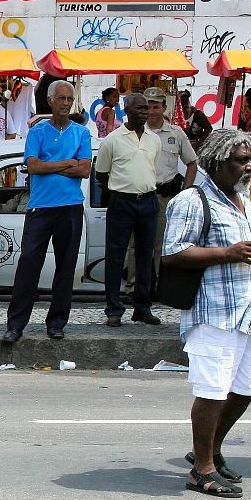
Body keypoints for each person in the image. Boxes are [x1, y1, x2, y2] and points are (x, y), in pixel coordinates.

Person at [161, 128, 251, 498]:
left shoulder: (244, 199)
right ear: (216, 162)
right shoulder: (192, 201)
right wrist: (225, 253)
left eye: (250, 159)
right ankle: (202, 470)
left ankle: (208, 450)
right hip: (215, 313)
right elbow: (172, 252)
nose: (249, 167)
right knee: (213, 391)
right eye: (241, 160)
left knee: (247, 388)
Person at [2, 81, 92, 344]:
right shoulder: (38, 131)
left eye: (69, 99)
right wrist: (66, 163)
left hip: (70, 206)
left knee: (65, 267)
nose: (65, 103)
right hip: (41, 207)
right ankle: (16, 324)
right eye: (61, 98)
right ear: (50, 101)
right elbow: (33, 166)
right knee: (29, 263)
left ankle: (57, 322)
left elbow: (84, 170)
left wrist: (49, 164)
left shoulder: (81, 133)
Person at [94, 93, 162, 327]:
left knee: (145, 256)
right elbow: (101, 174)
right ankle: (114, 309)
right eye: (140, 108)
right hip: (122, 201)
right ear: (127, 110)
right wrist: (122, 189)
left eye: (148, 108)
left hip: (149, 200)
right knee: (115, 255)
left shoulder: (154, 140)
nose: (145, 112)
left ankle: (142, 307)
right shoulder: (113, 140)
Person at [127, 87, 197, 290]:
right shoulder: (133, 132)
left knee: (162, 245)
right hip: (137, 194)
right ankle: (133, 288)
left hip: (164, 196)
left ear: (164, 107)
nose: (151, 110)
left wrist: (185, 193)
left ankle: (160, 287)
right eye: (147, 106)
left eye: (156, 106)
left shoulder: (176, 133)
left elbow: (192, 163)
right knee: (135, 245)